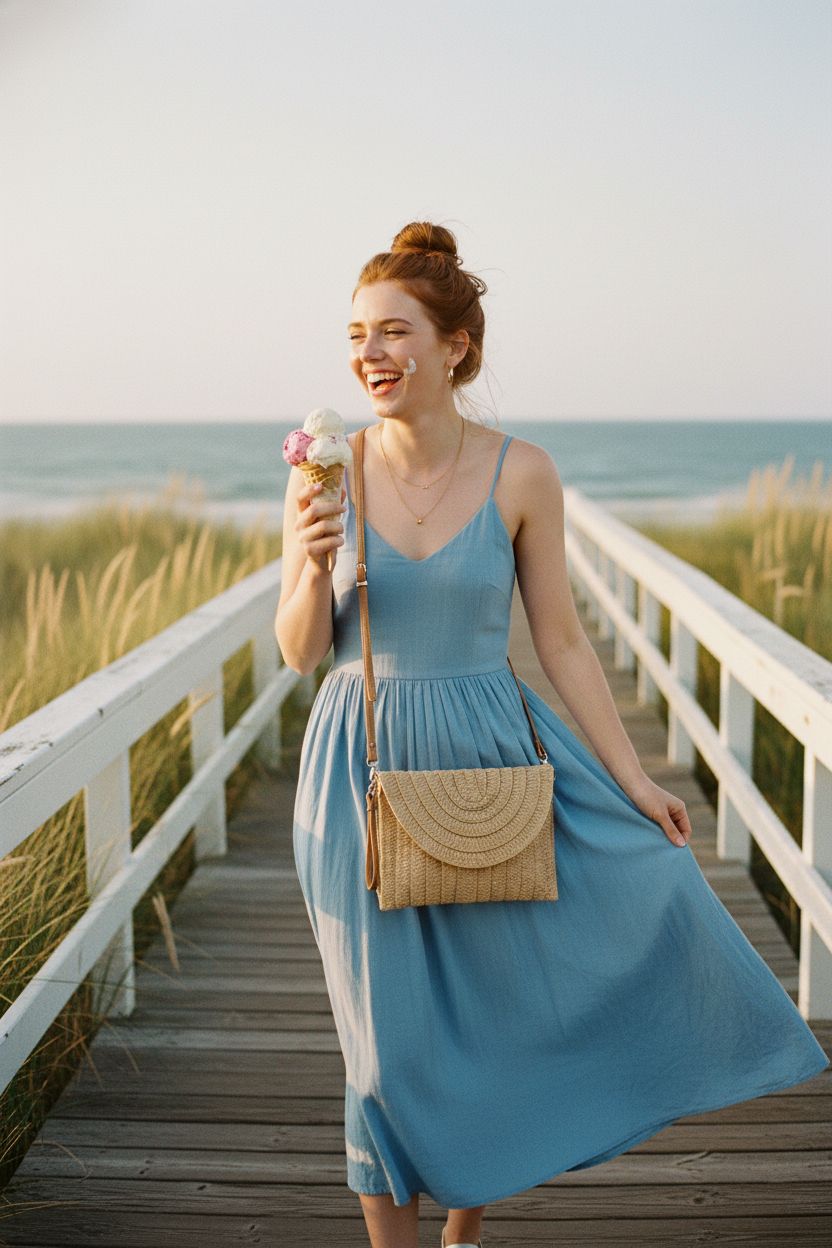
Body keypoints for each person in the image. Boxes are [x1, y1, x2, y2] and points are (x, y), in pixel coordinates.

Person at [275, 221, 829, 1248]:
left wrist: (632, 783)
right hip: (358, 774)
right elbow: (300, 652)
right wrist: (309, 563)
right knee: (379, 1050)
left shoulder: (522, 472)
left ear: (455, 347)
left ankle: (465, 1224)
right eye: (357, 335)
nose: (370, 355)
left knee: (499, 1013)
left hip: (491, 759)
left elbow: (566, 644)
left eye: (395, 332)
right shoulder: (325, 470)